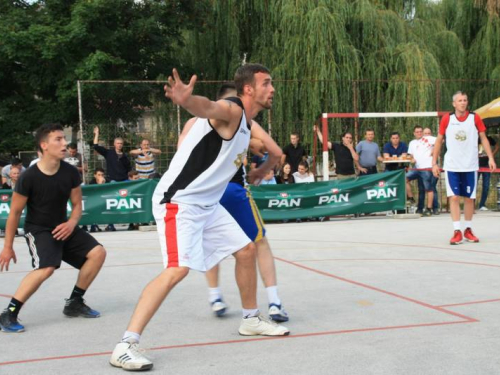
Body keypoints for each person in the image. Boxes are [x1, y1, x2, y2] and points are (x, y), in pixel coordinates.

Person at [109, 65, 289, 371]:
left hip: (208, 205)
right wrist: (186, 100)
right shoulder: (232, 111)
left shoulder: (246, 124)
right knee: (176, 270)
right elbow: (208, 107)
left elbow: (274, 151)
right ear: (248, 89)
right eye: (266, 83)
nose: (272, 89)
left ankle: (250, 319)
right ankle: (125, 345)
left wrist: (261, 169)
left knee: (245, 251)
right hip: (178, 203)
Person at [177, 83, 288, 323]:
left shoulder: (192, 124)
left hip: (203, 192)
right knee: (259, 243)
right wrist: (259, 168)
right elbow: (276, 152)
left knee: (214, 248)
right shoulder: (245, 119)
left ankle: (216, 296)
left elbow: (181, 154)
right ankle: (274, 301)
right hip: (231, 188)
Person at [0, 123, 106, 333]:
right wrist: (7, 246)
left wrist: (71, 223)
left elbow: (77, 206)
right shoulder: (28, 177)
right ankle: (9, 313)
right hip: (38, 229)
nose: (64, 143)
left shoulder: (70, 173)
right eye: (58, 139)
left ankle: (74, 302)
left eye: (63, 139)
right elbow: (14, 213)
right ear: (44, 145)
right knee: (46, 267)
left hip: (64, 227)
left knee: (98, 253)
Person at [432, 91, 497, 245]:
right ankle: (456, 231)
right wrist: (434, 162)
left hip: (470, 165)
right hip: (452, 165)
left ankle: (468, 229)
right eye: (460, 100)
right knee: (454, 197)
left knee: (469, 198)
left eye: (465, 100)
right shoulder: (447, 118)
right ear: (454, 103)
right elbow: (439, 140)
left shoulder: (475, 118)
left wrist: (491, 158)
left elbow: (483, 138)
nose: (463, 102)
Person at [407, 126, 437, 216]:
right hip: (416, 168)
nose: (419, 133)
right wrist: (411, 159)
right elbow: (410, 155)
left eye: (420, 131)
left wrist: (435, 150)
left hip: (426, 168)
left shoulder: (428, 139)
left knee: (428, 188)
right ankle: (411, 198)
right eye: (417, 132)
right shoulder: (412, 143)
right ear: (414, 133)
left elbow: (441, 140)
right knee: (404, 179)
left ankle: (428, 209)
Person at [477, 133, 498, 210]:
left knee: (486, 186)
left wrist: (491, 156)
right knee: (474, 185)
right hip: (476, 164)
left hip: (487, 165)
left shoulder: (489, 138)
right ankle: (471, 203)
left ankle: (482, 204)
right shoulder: (475, 138)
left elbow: (497, 146)